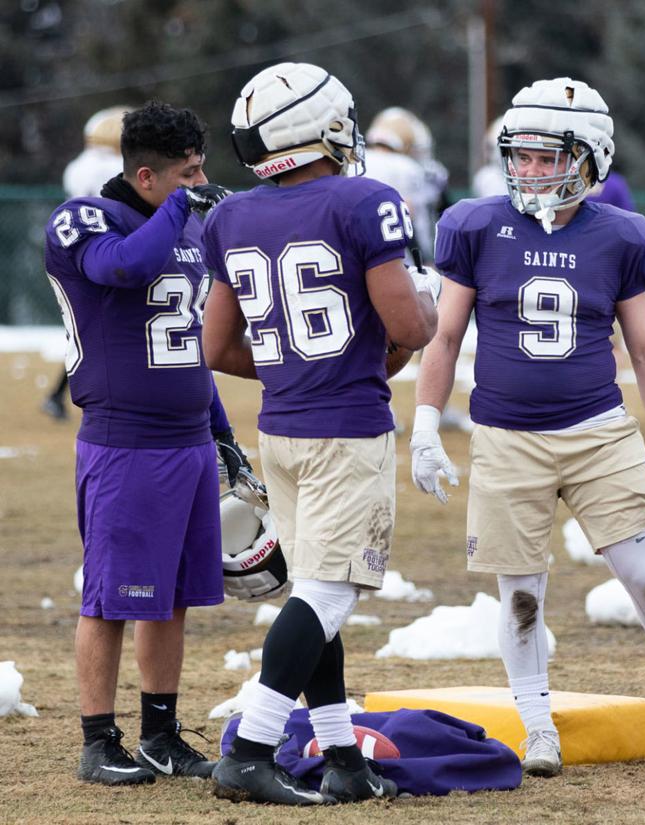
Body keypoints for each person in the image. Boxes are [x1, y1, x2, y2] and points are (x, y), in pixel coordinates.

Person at [410, 76, 645, 779]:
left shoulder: (625, 233)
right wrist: (424, 425)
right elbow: (445, 338)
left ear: (590, 157)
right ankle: (536, 722)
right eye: (522, 157)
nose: (530, 171)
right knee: (519, 593)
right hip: (506, 434)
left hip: (599, 429)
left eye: (548, 158)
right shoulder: (475, 225)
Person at [201, 62, 438, 805]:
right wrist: (421, 315)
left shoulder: (229, 216)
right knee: (328, 596)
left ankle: (341, 754)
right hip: (346, 430)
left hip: (283, 425)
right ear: (319, 126)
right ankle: (250, 748)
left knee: (315, 590)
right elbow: (407, 326)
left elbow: (213, 347)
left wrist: (290, 369)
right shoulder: (366, 198)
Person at [43, 101, 245, 786]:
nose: (201, 181)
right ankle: (99, 740)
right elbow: (123, 268)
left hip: (186, 439)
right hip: (124, 443)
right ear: (146, 175)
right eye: (187, 172)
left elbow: (189, 345)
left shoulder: (180, 223)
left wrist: (221, 429)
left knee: (174, 597)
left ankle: (161, 733)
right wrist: (181, 208)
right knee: (109, 597)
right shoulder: (87, 219)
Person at [43, 105, 130, 420]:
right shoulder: (111, 167)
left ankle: (57, 395)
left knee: (87, 329)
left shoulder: (77, 166)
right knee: (104, 329)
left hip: (75, 251)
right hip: (105, 251)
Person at [365, 107, 437, 266]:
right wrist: (425, 261)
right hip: (397, 259)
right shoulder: (407, 167)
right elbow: (414, 221)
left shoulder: (355, 162)